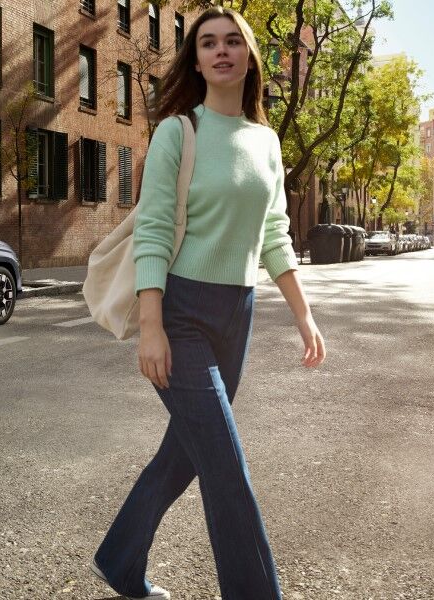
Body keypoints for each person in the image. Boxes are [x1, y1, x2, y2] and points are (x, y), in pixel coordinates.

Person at [89, 7, 326, 600]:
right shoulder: (178, 131)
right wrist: (151, 326)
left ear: (249, 56)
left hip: (237, 313)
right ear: (195, 60)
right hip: (180, 311)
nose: (221, 52)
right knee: (225, 468)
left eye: (232, 43)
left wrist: (303, 314)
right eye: (208, 44)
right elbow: (152, 231)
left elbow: (275, 235)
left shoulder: (266, 142)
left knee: (186, 455)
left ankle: (120, 560)